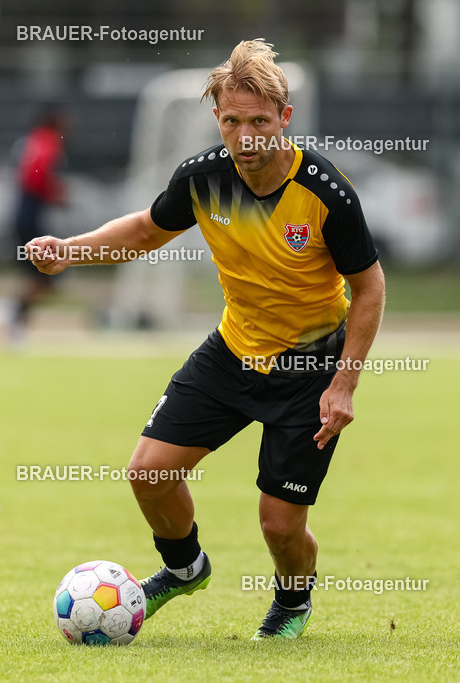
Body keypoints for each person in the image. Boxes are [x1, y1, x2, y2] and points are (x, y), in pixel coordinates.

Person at [26, 39, 385, 639]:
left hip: (310, 369)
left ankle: (293, 603)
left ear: (284, 119)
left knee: (279, 525)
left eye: (260, 122)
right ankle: (185, 568)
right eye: (233, 122)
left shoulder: (325, 192)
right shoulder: (202, 179)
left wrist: (343, 384)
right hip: (232, 351)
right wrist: (70, 252)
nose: (246, 137)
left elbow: (369, 288)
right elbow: (144, 231)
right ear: (217, 119)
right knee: (149, 472)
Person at [11, 103, 68, 342]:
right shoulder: (48, 143)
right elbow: (36, 178)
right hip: (32, 214)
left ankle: (15, 321)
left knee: (43, 277)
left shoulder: (32, 141)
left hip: (25, 213)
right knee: (47, 275)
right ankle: (11, 315)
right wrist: (55, 194)